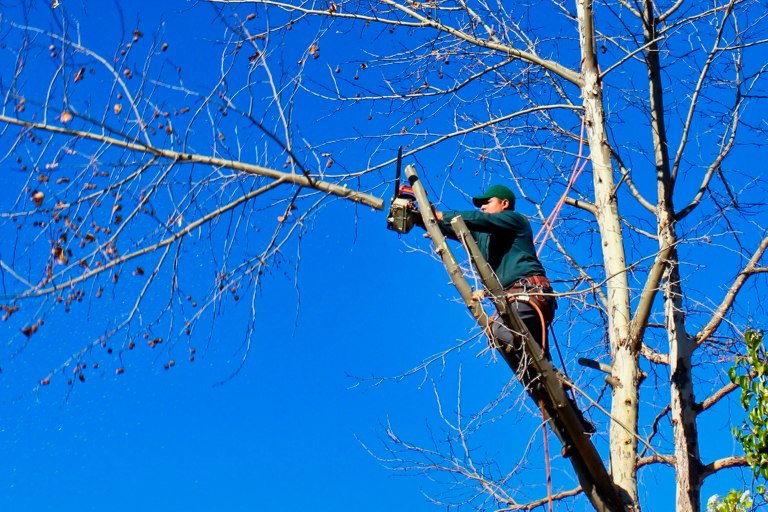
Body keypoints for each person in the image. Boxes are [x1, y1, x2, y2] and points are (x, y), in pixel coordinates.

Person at [430, 184, 556, 353]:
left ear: (504, 204)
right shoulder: (482, 235)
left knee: (501, 332)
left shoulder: (514, 219)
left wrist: (442, 215)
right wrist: (421, 216)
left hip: (530, 293)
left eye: (488, 202)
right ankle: (545, 377)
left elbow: (480, 220)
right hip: (513, 301)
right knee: (531, 368)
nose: (482, 207)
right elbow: (453, 227)